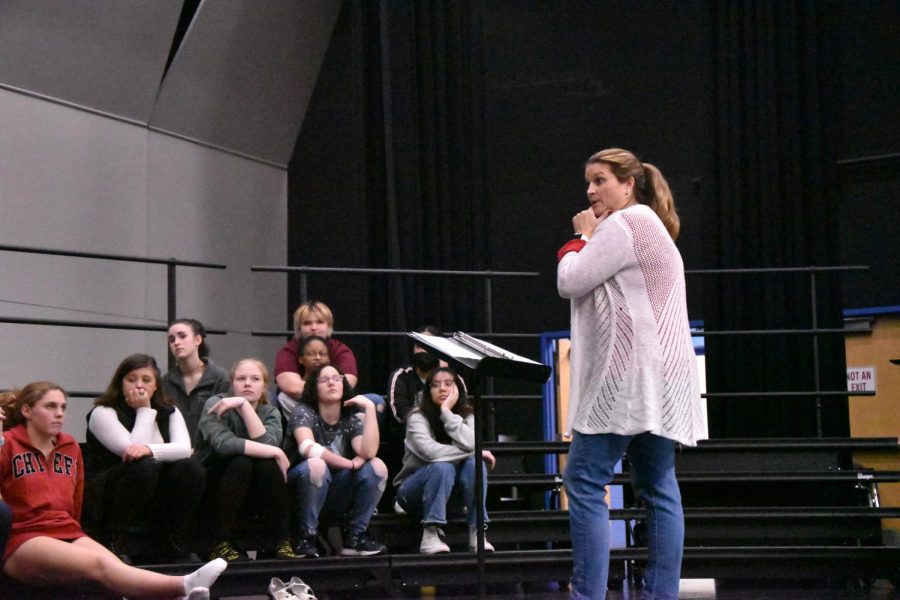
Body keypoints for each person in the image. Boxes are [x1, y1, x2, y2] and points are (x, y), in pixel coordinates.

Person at [556, 148, 707, 599]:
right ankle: (660, 595)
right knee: (659, 486)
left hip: (628, 379)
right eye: (588, 182)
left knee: (583, 480)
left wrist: (579, 237)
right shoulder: (649, 224)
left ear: (628, 184)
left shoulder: (623, 225)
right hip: (662, 380)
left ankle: (588, 595)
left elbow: (571, 280)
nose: (590, 190)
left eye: (600, 180)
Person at [0, 382, 226, 599]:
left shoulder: (69, 446)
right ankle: (183, 585)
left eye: (63, 407)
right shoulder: (7, 443)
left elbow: (76, 499)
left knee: (117, 568)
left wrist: (78, 532)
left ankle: (177, 598)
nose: (59, 413)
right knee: (100, 566)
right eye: (50, 406)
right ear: (27, 411)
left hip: (66, 530)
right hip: (24, 536)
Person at [84, 354, 206, 563]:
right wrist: (144, 411)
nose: (139, 386)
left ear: (156, 385)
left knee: (190, 468)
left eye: (146, 380)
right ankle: (115, 540)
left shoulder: (169, 411)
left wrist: (150, 449)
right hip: (113, 487)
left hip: (156, 485)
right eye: (131, 380)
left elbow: (184, 449)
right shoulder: (102, 412)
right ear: (120, 383)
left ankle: (173, 539)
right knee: (144, 466)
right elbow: (131, 451)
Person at [196, 358, 297, 562]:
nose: (248, 383)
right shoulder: (216, 404)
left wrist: (244, 406)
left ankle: (281, 541)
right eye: (241, 379)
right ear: (232, 384)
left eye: (255, 379)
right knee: (242, 461)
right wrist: (276, 452)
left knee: (267, 465)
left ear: (264, 386)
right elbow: (225, 445)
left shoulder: (270, 412)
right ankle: (220, 543)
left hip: (254, 489)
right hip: (216, 483)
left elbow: (269, 443)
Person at [287, 364, 387, 558]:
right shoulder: (304, 411)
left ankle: (355, 538)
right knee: (317, 465)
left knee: (377, 467)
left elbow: (368, 451)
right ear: (314, 387)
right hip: (301, 488)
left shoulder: (350, 417)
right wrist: (348, 463)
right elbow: (307, 447)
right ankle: (306, 537)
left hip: (335, 489)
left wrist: (369, 409)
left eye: (336, 378)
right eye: (324, 379)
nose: (332, 382)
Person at [394, 367, 496, 554]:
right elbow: (430, 452)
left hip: (453, 497)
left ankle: (477, 532)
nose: (442, 389)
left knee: (475, 465)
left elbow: (472, 442)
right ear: (428, 390)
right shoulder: (416, 416)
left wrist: (447, 413)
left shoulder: (468, 415)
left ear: (457, 388)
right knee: (443, 467)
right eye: (435, 385)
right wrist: (473, 452)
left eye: (448, 384)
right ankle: (430, 533)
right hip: (412, 494)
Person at [274, 301, 360, 401]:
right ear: (299, 328)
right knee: (279, 397)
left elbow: (347, 384)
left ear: (328, 326)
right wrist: (327, 392)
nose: (314, 328)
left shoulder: (340, 350)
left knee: (374, 399)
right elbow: (293, 389)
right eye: (307, 323)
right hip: (299, 402)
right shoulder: (288, 351)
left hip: (335, 405)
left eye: (319, 322)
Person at [161, 319, 230, 443]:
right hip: (176, 454)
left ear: (198, 340)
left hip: (212, 454)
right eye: (172, 339)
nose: (176, 342)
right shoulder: (165, 382)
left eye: (182, 336)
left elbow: (226, 424)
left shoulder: (221, 378)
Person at [275, 335, 331, 423]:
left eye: (322, 354)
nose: (317, 357)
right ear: (301, 359)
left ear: (328, 359)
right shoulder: (289, 397)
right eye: (311, 354)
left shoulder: (335, 385)